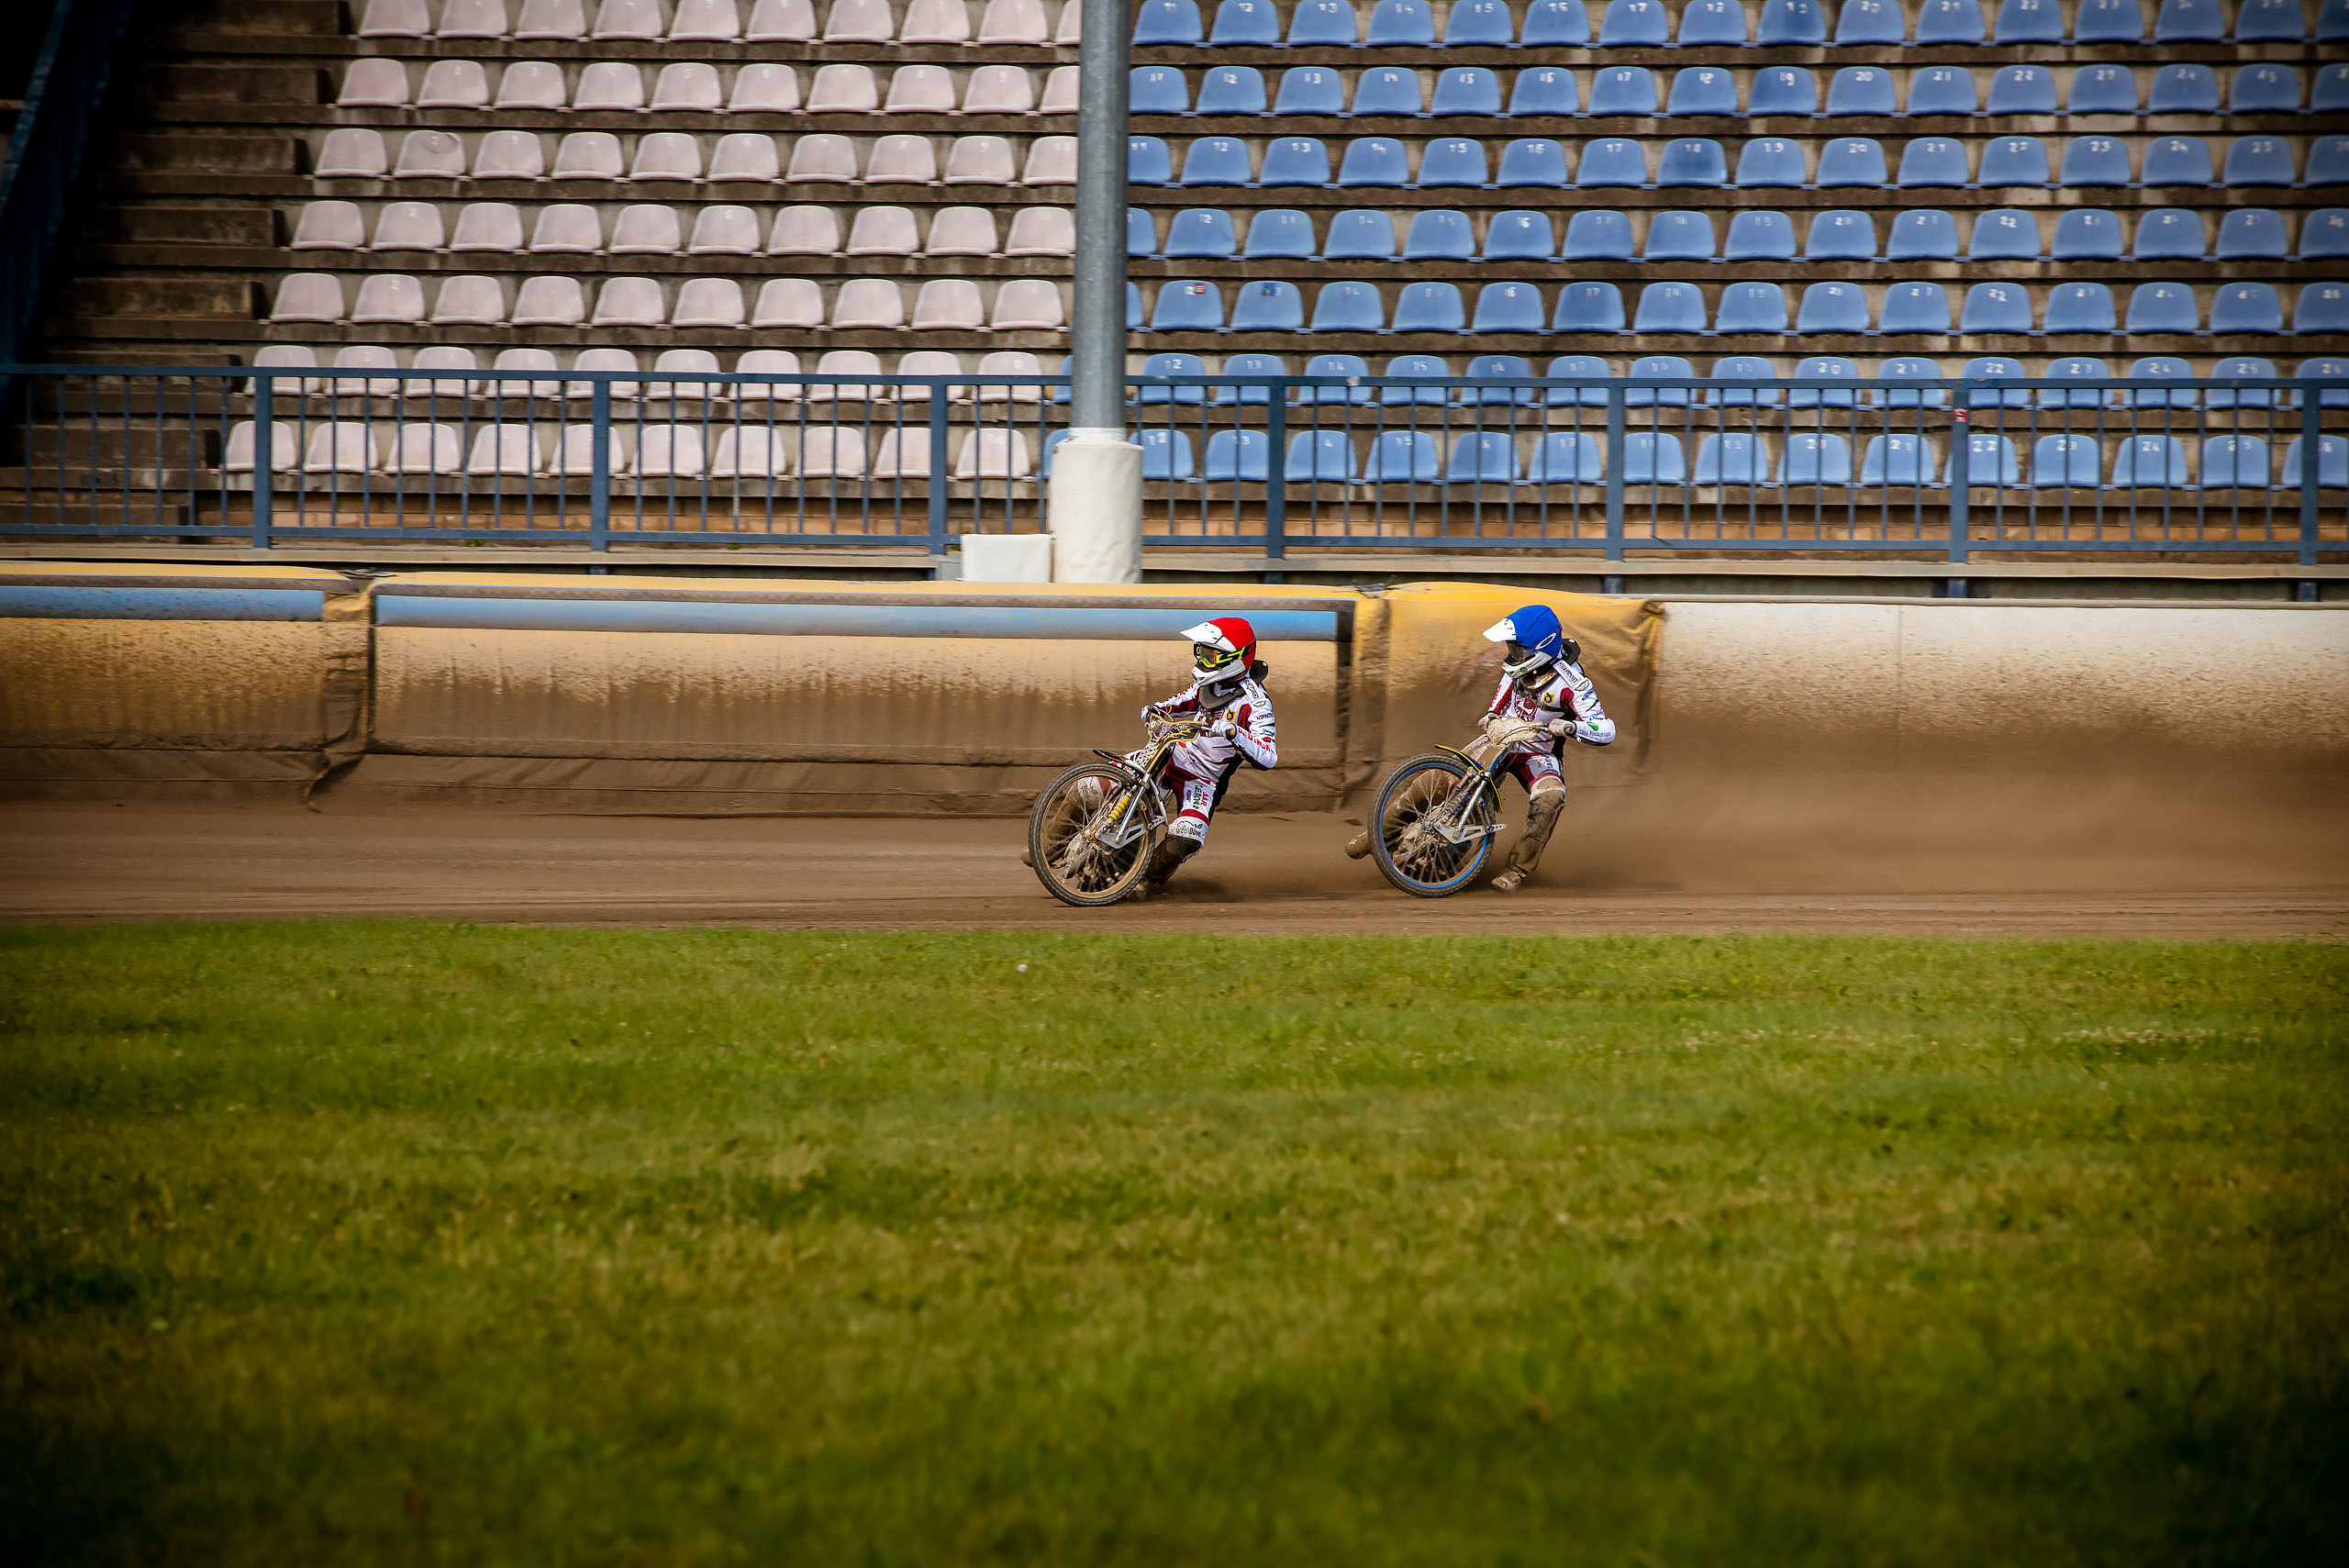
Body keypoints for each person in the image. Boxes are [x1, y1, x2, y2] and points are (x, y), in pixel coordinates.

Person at [1347, 603, 1614, 893]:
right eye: (1512, 649)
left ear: (1542, 649)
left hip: (1539, 752)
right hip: (1502, 738)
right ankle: (1378, 835)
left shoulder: (1573, 683)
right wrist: (1491, 715)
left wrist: (1572, 727)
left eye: (1518, 651)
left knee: (1550, 797)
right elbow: (1502, 695)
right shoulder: (1518, 668)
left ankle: (1517, 870)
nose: (1513, 656)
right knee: (1440, 779)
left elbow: (1606, 729)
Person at [1130, 616, 1277, 894]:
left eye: (1210, 655)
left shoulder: (1256, 703)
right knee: (1097, 785)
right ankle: (1055, 841)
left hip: (1203, 780)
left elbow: (1269, 756)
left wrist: (1233, 732)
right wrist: (1157, 709)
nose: (1202, 661)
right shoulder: (1205, 684)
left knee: (1189, 836)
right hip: (1171, 753)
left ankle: (1141, 880)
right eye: (1201, 653)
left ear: (1234, 658)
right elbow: (1181, 701)